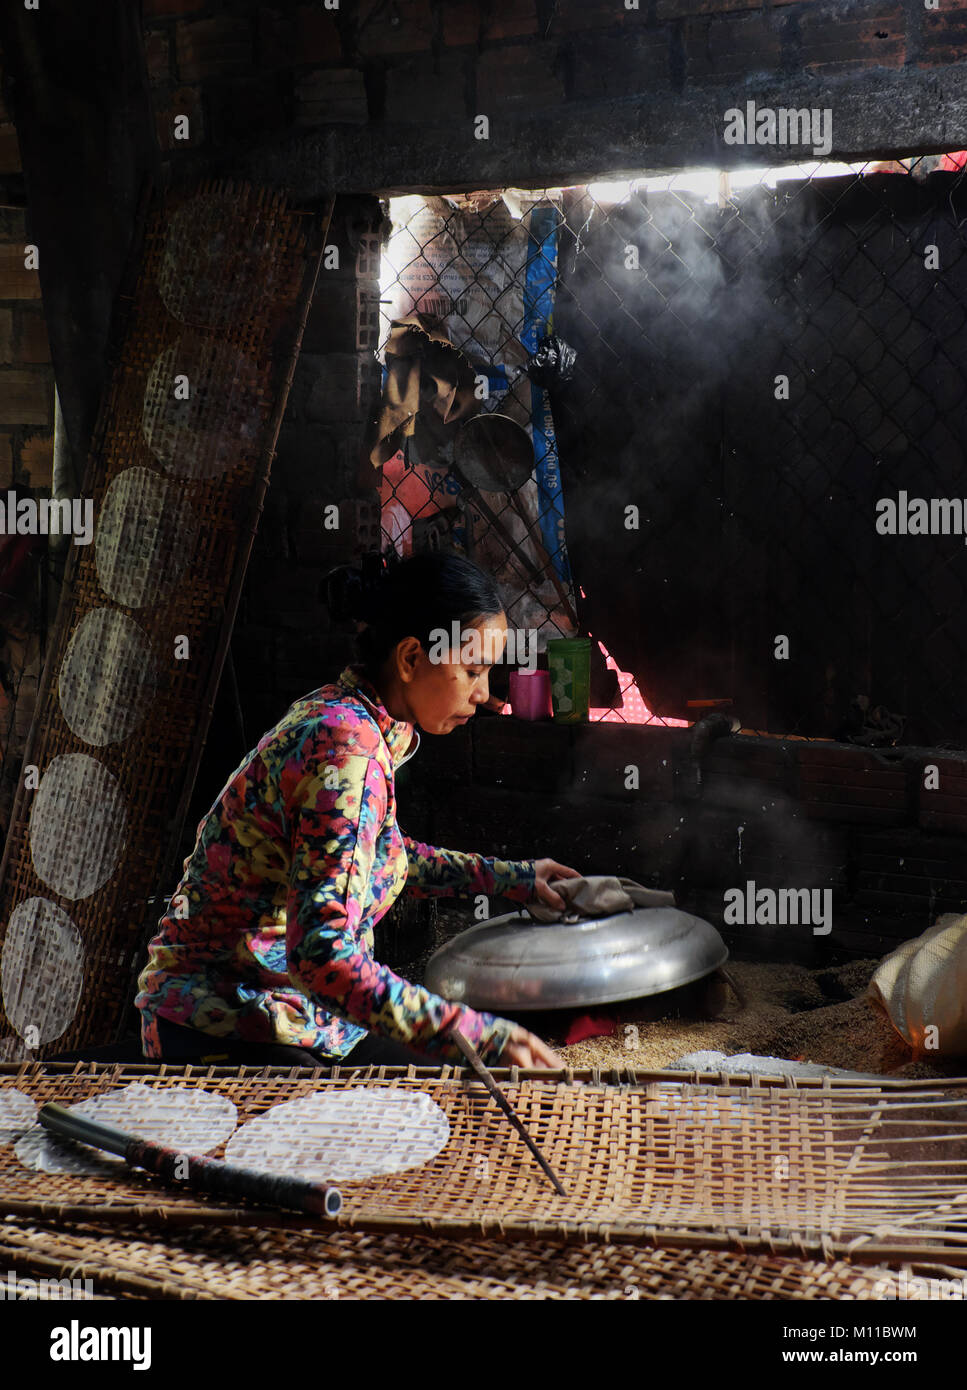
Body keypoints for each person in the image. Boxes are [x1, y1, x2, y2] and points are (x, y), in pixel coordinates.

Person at [135, 551, 581, 1069]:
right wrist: (474, 1032)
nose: (485, 694)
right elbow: (322, 956)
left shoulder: (355, 722)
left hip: (289, 1010)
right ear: (412, 658)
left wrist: (515, 881)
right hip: (226, 1023)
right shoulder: (347, 753)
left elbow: (378, 858)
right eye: (473, 670)